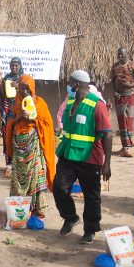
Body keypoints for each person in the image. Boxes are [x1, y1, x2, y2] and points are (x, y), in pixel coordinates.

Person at [53, 70, 113, 245]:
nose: (68, 86)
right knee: (58, 187)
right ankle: (70, 217)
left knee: (91, 196)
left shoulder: (97, 105)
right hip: (68, 154)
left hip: (90, 157)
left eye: (70, 82)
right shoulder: (70, 101)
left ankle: (90, 229)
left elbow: (108, 135)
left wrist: (107, 164)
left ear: (77, 85)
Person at [5, 75, 55, 218]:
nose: (25, 91)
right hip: (18, 146)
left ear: (32, 88)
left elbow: (48, 123)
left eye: (28, 88)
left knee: (37, 175)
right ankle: (19, 208)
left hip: (34, 146)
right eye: (22, 88)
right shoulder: (14, 104)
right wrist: (19, 117)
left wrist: (33, 119)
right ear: (18, 88)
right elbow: (9, 125)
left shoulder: (39, 103)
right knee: (18, 178)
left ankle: (37, 209)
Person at [110, 46, 134, 158]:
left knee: (128, 121)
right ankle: (124, 147)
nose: (120, 56)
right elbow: (112, 80)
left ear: (127, 54)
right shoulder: (115, 67)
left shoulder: (133, 66)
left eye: (122, 54)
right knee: (121, 121)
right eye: (118, 54)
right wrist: (114, 91)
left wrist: (130, 85)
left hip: (130, 96)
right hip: (119, 97)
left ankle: (127, 147)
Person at [0, 57, 24, 175]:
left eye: (16, 65)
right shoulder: (7, 78)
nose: (14, 68)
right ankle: (9, 166)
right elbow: (3, 95)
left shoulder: (24, 78)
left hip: (20, 113)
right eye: (12, 65)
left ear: (20, 65)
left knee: (19, 138)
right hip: (8, 111)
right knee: (7, 137)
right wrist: (0, 82)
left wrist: (18, 86)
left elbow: (29, 93)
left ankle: (20, 166)